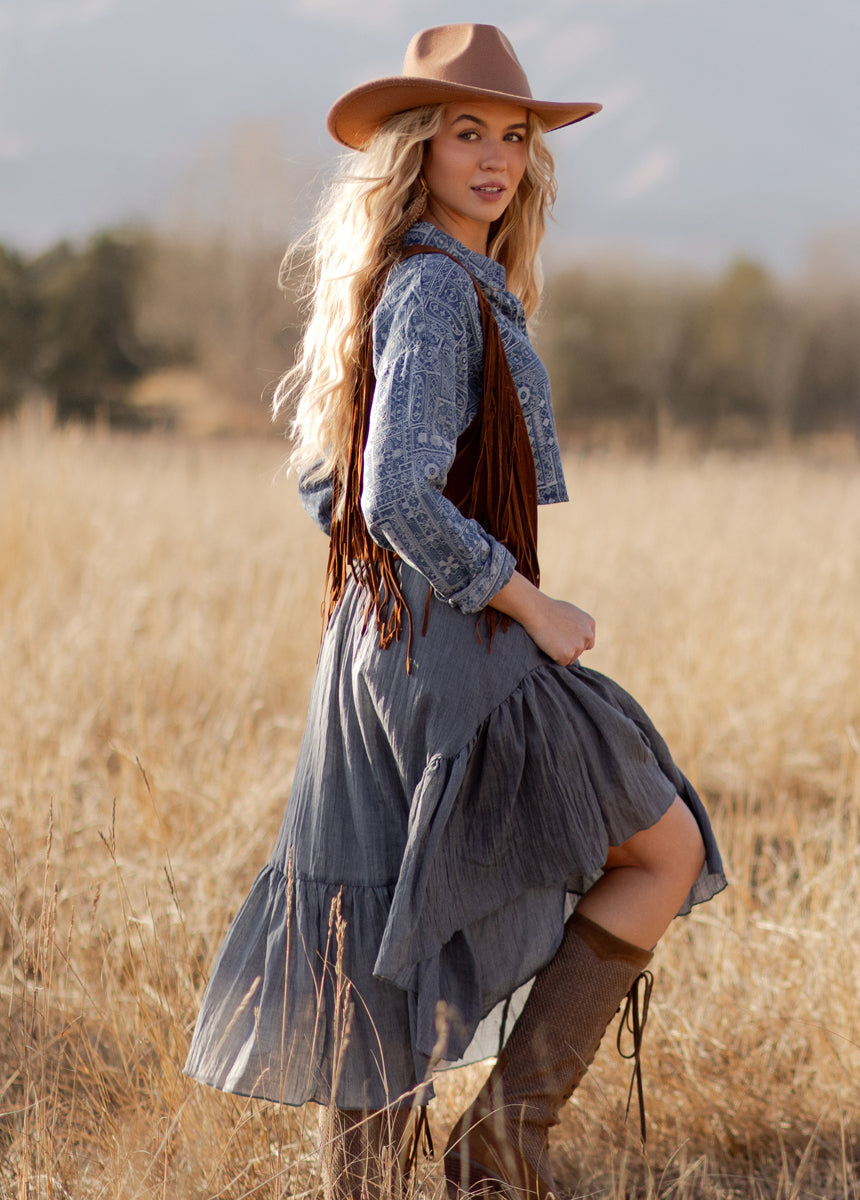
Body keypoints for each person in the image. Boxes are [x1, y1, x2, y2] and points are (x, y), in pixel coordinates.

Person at [184, 23, 726, 1200]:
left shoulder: (409, 279)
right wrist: (526, 604)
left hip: (380, 647)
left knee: (386, 921)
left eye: (512, 136)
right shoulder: (437, 289)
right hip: (450, 653)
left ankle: (410, 1177)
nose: (492, 157)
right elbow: (383, 492)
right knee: (664, 845)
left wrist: (398, 597)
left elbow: (325, 484)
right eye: (464, 132)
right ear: (418, 148)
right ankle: (497, 1151)